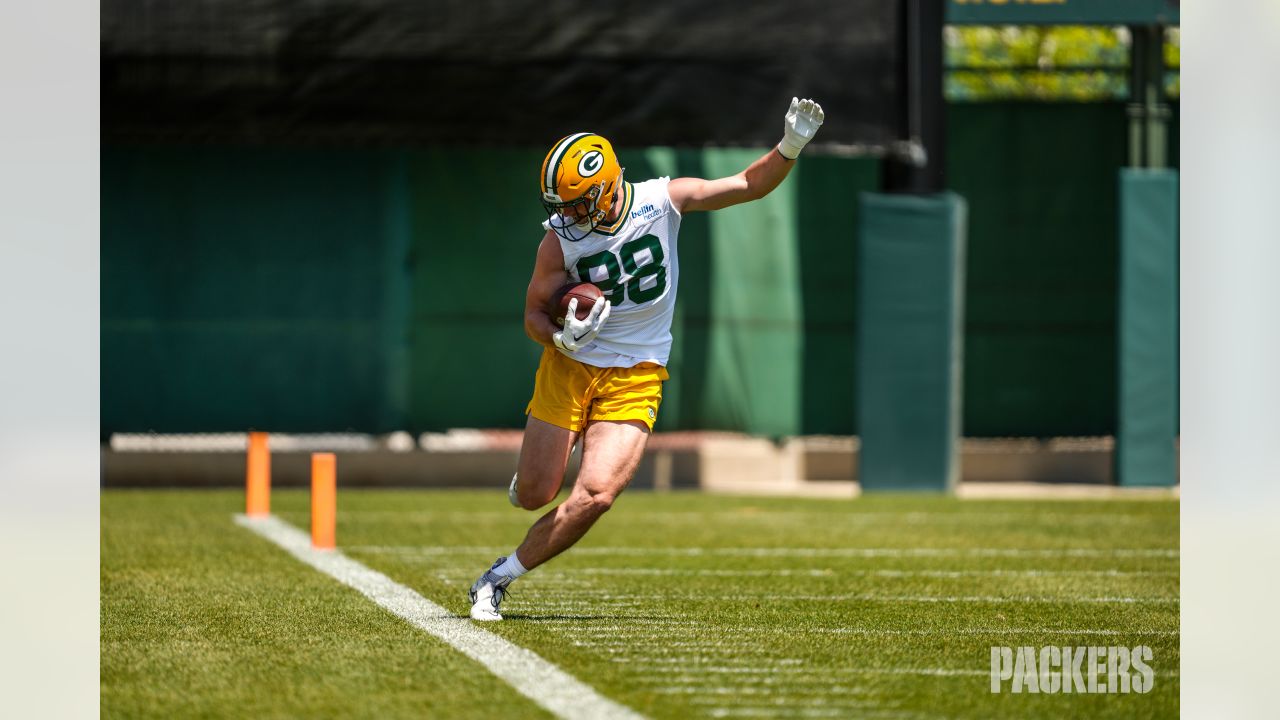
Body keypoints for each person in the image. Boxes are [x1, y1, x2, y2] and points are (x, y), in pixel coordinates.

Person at [468, 98, 826, 620]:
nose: (565, 217)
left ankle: (499, 577)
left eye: (574, 204)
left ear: (607, 187)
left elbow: (747, 185)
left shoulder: (663, 201)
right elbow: (532, 316)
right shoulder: (557, 244)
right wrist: (560, 339)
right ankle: (530, 481)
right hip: (571, 366)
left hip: (637, 372)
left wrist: (790, 146)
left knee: (595, 495)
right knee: (535, 494)